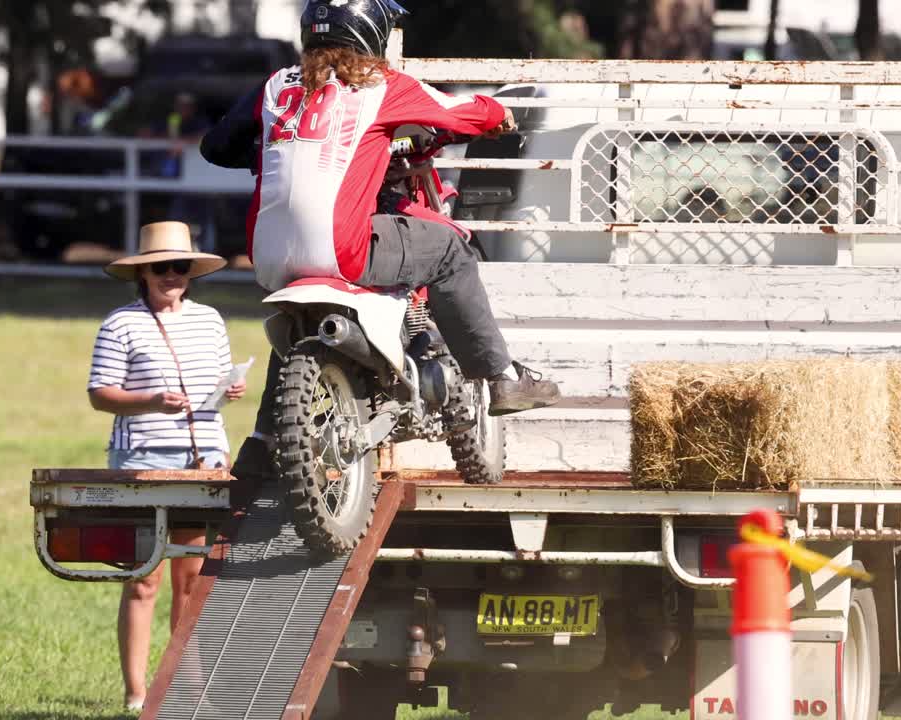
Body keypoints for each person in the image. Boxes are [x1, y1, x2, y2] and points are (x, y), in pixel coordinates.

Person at [198, 0, 561, 481]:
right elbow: (463, 112)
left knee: (297, 323)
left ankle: (264, 443)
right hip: (342, 247)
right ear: (373, 35)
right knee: (450, 251)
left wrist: (275, 148)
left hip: (268, 256)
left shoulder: (275, 87)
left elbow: (215, 146)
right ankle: (503, 377)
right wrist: (500, 115)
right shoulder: (381, 86)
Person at [86, 221, 247, 711]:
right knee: (143, 576)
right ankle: (136, 693)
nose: (171, 276)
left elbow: (218, 379)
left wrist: (231, 387)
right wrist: (152, 400)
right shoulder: (120, 324)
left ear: (191, 272)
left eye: (180, 267)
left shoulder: (210, 320)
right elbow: (100, 394)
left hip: (202, 456)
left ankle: (183, 687)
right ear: (144, 272)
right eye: (161, 268)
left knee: (192, 577)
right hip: (143, 457)